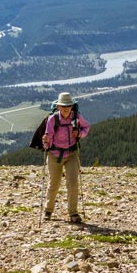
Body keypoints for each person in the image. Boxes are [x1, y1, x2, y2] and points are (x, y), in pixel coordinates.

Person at [42, 91, 90, 223]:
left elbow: (86, 127)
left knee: (73, 183)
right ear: (58, 107)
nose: (65, 108)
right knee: (54, 183)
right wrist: (45, 142)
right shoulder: (52, 119)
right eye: (63, 106)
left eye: (68, 106)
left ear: (71, 106)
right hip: (54, 155)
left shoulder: (76, 116)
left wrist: (80, 133)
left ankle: (73, 213)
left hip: (72, 154)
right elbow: (48, 136)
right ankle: (48, 211)